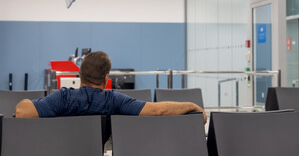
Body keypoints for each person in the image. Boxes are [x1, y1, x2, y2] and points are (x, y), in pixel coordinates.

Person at [15, 51, 207, 123]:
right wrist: (192, 105)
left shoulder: (62, 97)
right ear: (106, 78)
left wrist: (25, 100)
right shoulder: (114, 100)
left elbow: (22, 112)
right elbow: (158, 110)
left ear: (79, 75)